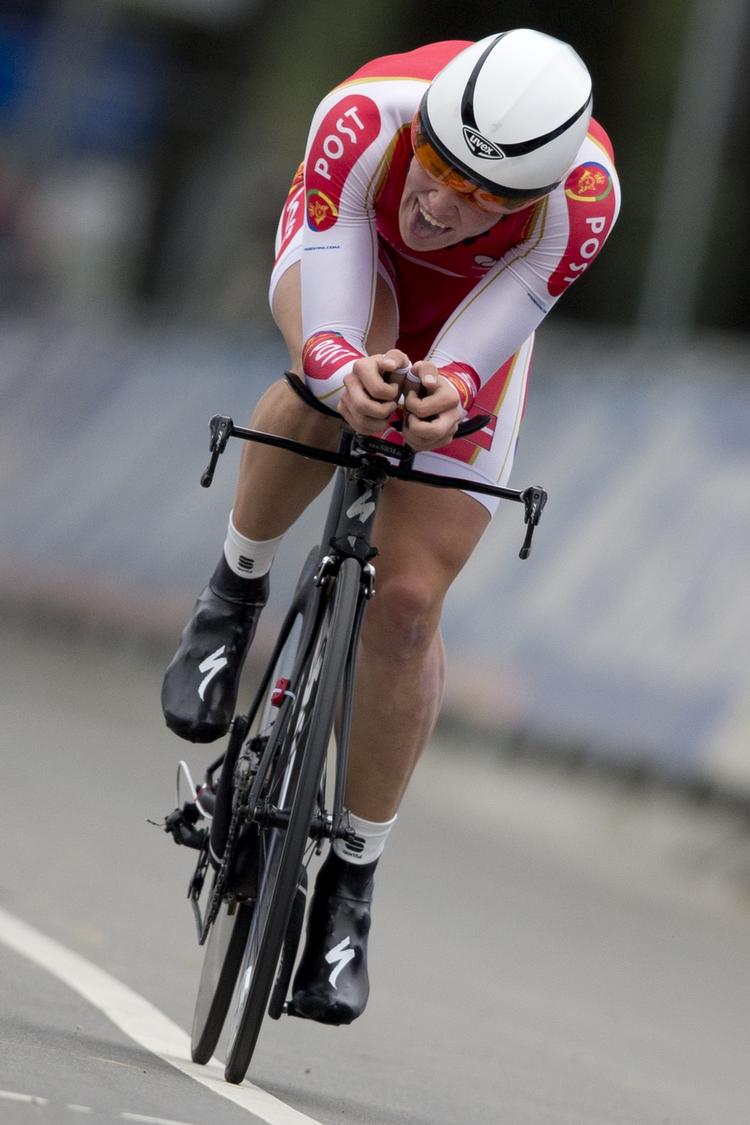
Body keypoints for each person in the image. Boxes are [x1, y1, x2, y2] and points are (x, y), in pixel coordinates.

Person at [162, 29, 620, 1025]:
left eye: (486, 197)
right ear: (425, 129)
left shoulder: (586, 198)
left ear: (538, 193)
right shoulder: (366, 118)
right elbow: (328, 309)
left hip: (474, 308)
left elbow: (500, 321)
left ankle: (350, 887)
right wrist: (340, 366)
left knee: (407, 607)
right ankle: (234, 591)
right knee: (333, 379)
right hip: (353, 250)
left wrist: (450, 384)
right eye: (440, 167)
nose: (445, 204)